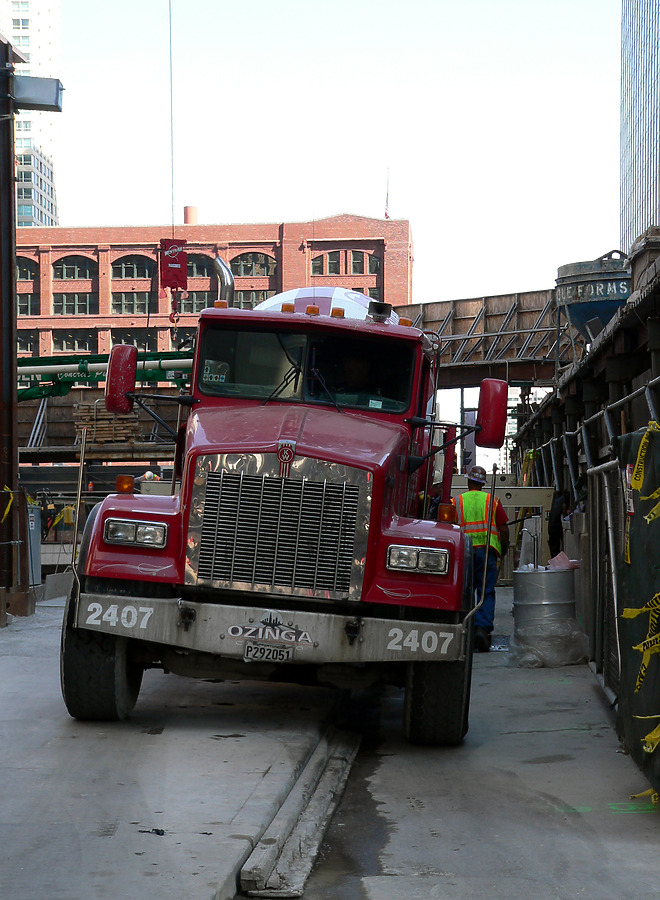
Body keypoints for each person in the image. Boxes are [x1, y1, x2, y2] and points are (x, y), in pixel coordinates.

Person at [452, 465, 509, 652]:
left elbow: (448, 528)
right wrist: (504, 547)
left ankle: (464, 627)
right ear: (483, 484)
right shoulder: (492, 501)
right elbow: (503, 528)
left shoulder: (457, 501)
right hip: (486, 551)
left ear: (468, 481)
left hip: (464, 551)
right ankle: (482, 629)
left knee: (464, 590)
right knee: (485, 592)